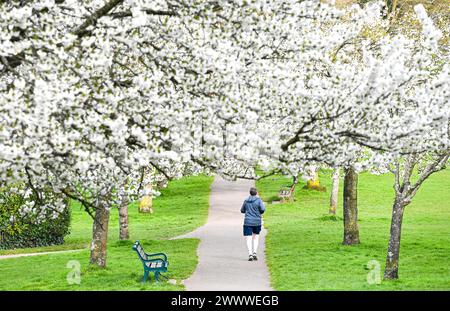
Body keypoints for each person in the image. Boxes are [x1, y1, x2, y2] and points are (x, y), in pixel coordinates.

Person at [240, 187, 265, 261]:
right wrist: (259, 212)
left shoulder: (246, 201)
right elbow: (263, 209)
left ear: (250, 193)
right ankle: (255, 253)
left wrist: (247, 211)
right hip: (257, 221)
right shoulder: (259, 200)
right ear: (256, 193)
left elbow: (242, 210)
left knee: (248, 238)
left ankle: (250, 254)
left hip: (248, 221)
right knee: (256, 237)